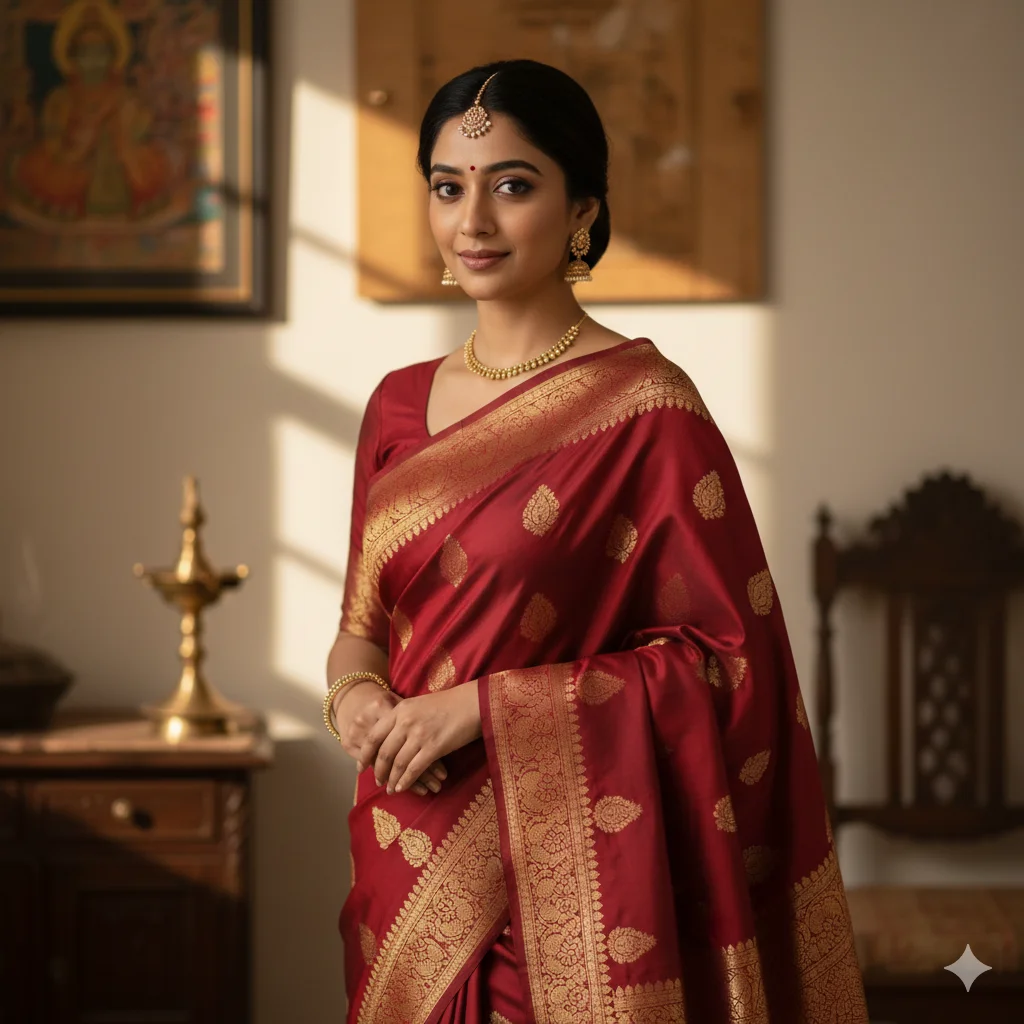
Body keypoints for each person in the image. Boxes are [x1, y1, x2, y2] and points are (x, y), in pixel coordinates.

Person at [324, 59, 868, 1024]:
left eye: (512, 186)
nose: (473, 222)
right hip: (406, 848)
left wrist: (482, 709)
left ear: (582, 208)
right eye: (448, 188)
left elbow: (730, 667)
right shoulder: (395, 407)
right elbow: (360, 631)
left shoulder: (647, 410)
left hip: (565, 882)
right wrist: (357, 702)